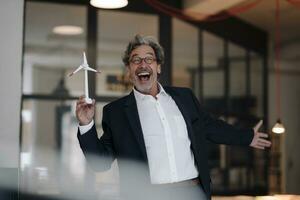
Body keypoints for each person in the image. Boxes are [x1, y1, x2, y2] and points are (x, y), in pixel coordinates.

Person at [76, 34, 271, 200]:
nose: (143, 64)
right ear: (129, 70)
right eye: (136, 60)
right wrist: (86, 124)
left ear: (158, 67)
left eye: (149, 59)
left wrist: (246, 136)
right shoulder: (116, 112)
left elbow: (210, 127)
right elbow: (100, 163)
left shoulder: (184, 97)